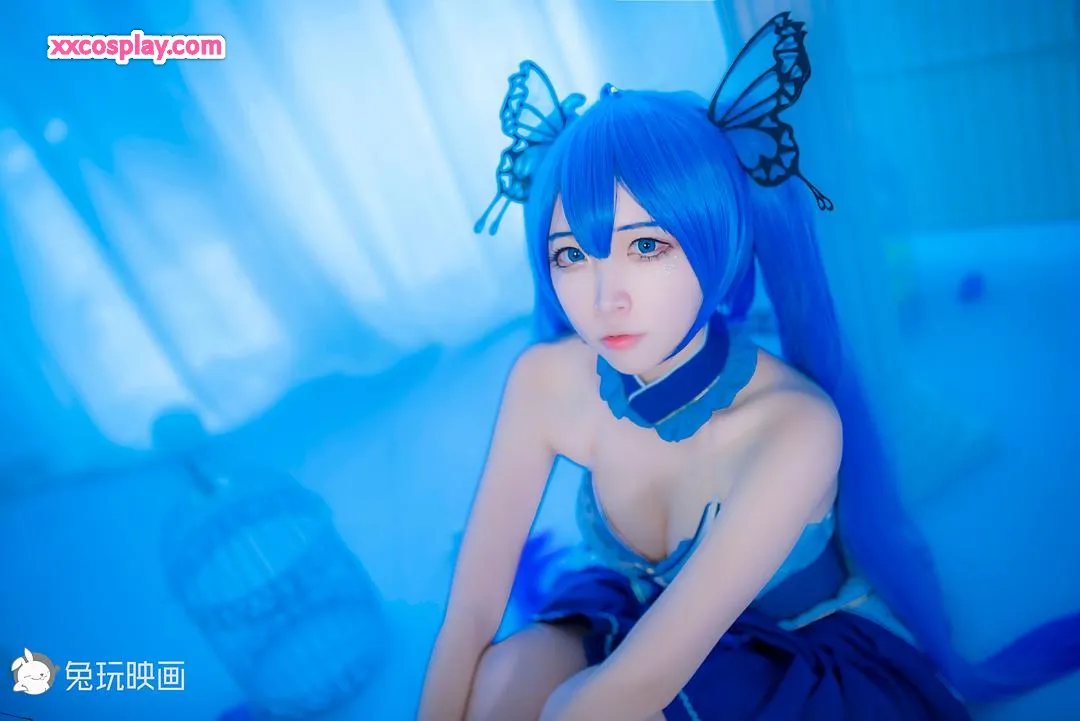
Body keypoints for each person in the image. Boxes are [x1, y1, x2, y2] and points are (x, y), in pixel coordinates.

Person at [418, 13, 1080, 721]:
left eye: (646, 246)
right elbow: (473, 609)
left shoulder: (795, 426)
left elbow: (622, 695)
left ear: (720, 239)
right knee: (501, 682)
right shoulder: (546, 378)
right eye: (573, 255)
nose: (605, 298)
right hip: (635, 610)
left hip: (784, 652)